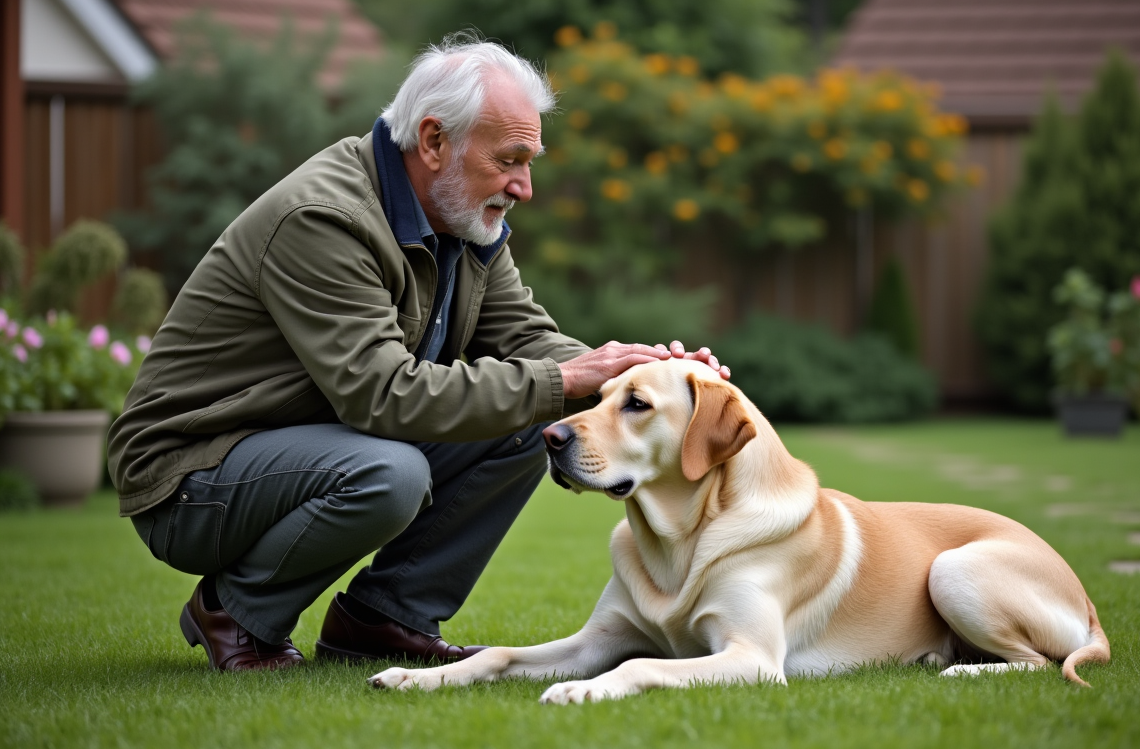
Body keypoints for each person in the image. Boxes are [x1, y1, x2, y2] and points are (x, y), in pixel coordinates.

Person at [107, 33, 730, 671]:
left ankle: (383, 620)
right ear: (433, 142)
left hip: (303, 445)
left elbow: (527, 340)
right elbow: (381, 394)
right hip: (188, 477)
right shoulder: (324, 219)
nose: (525, 186)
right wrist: (564, 378)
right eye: (510, 158)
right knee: (391, 474)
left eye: (531, 161)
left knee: (535, 419)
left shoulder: (463, 220)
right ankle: (236, 612)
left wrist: (650, 376)